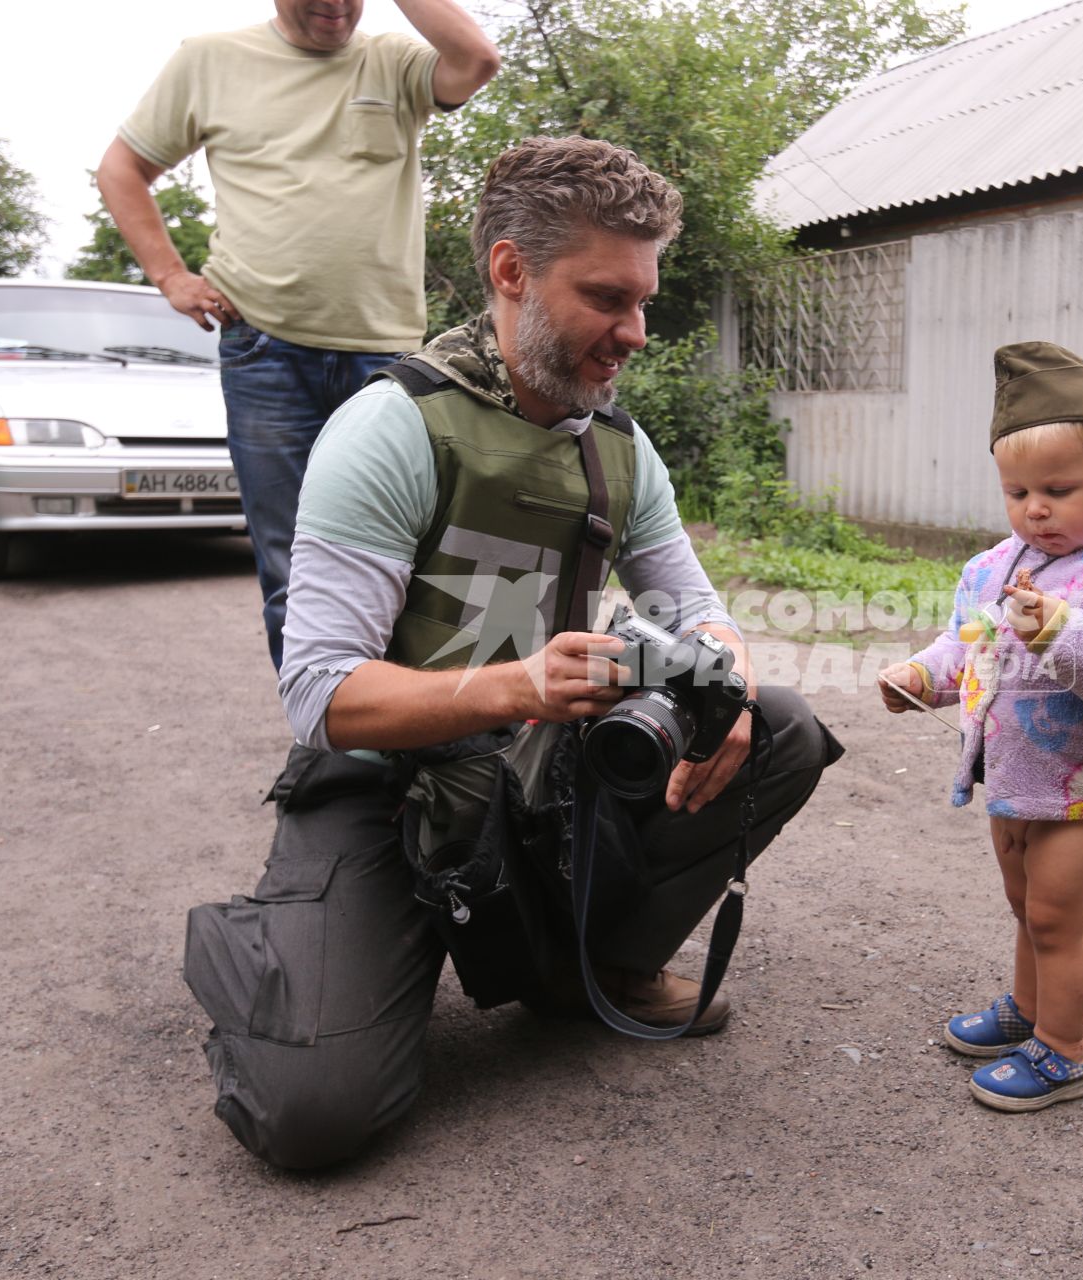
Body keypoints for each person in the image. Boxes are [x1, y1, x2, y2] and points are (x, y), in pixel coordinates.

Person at [183, 136, 843, 1169]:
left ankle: (587, 971)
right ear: (509, 271)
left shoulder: (619, 446)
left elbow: (699, 606)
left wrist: (729, 676)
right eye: (604, 298)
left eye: (644, 301)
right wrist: (518, 685)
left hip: (541, 777)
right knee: (312, 1116)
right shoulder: (392, 429)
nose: (633, 332)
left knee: (786, 727)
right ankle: (280, 948)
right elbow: (321, 695)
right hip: (390, 786)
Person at [97, 1, 501, 671]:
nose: (336, 6)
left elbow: (477, 61)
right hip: (264, 352)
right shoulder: (208, 59)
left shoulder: (394, 61)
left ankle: (413, 737)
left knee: (413, 559)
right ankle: (332, 758)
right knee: (295, 572)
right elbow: (121, 168)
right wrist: (170, 276)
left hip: (386, 359)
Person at [877, 342, 1083, 1112]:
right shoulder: (992, 569)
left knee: (1055, 919)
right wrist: (921, 677)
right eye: (1017, 491)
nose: (1034, 509)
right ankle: (1026, 1009)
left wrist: (1062, 635)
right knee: (1026, 910)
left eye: (1057, 488)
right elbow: (964, 645)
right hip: (1011, 782)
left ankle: (1064, 1050)